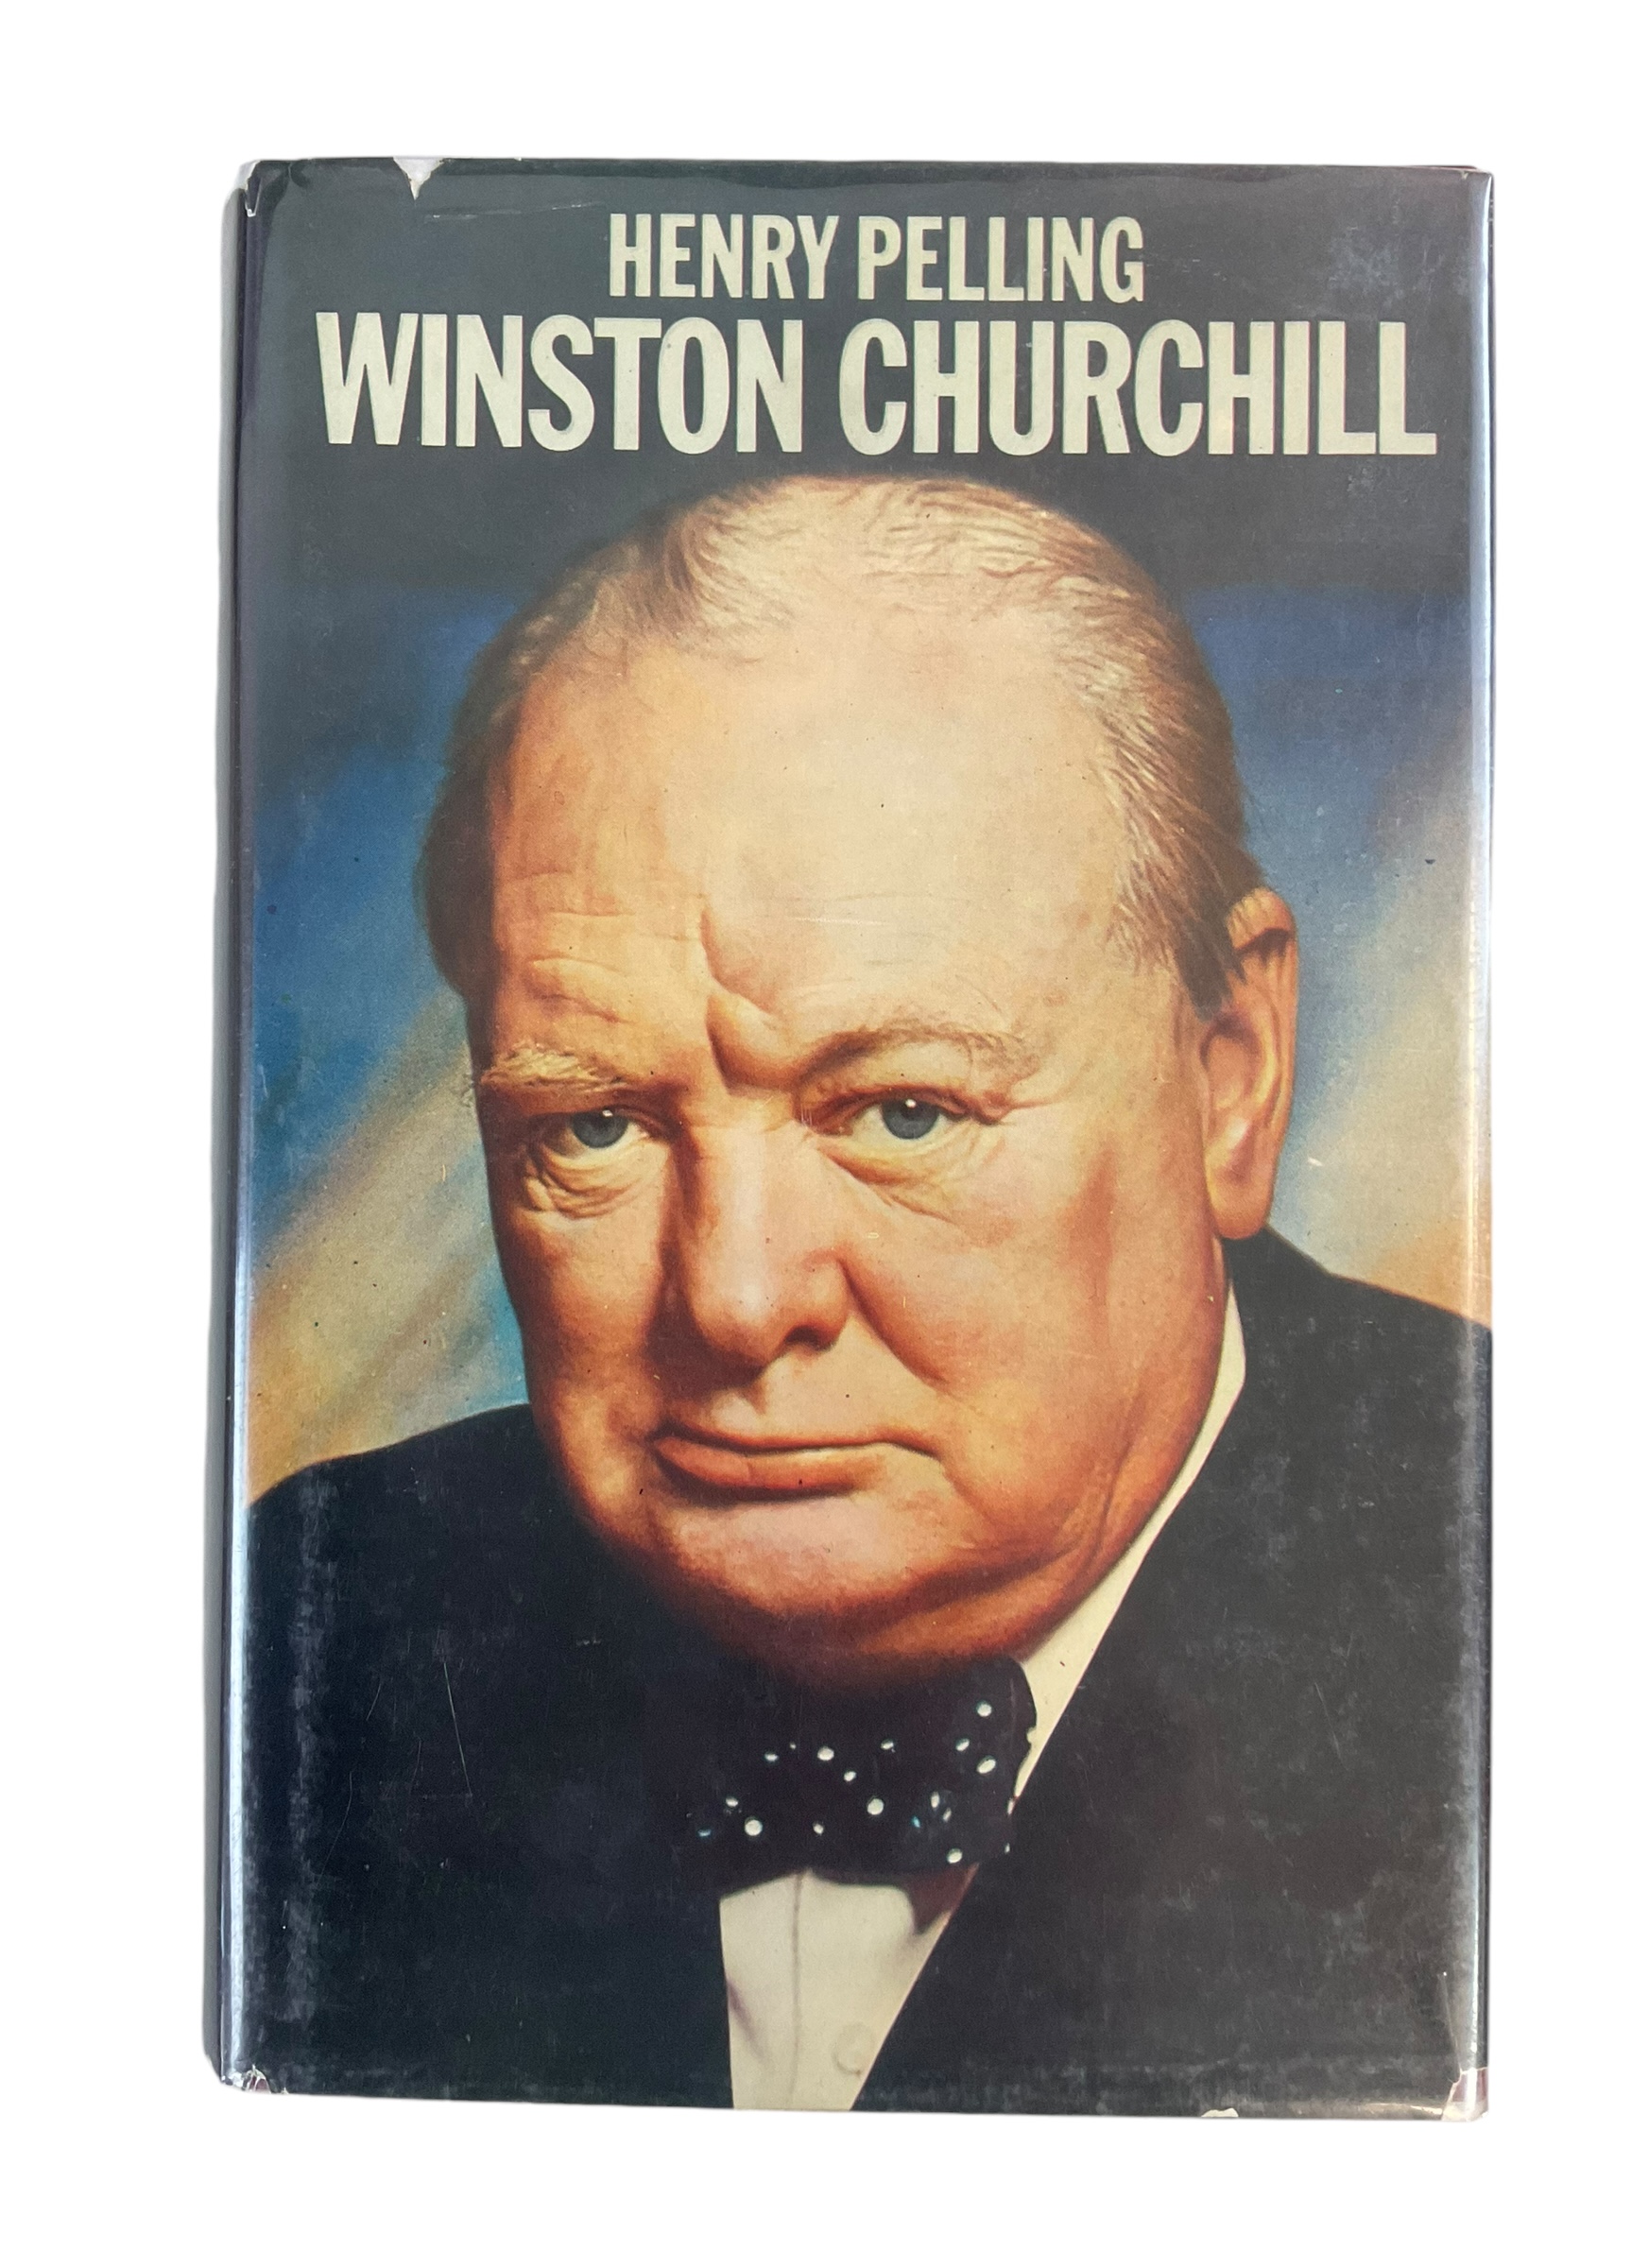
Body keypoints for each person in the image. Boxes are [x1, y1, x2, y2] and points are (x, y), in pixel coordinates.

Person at [232, 475, 1487, 2115]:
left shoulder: (1544, 1602)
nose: (737, 1299)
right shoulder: (322, 1631)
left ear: (1229, 1077)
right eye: (593, 1126)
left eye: (903, 1111)